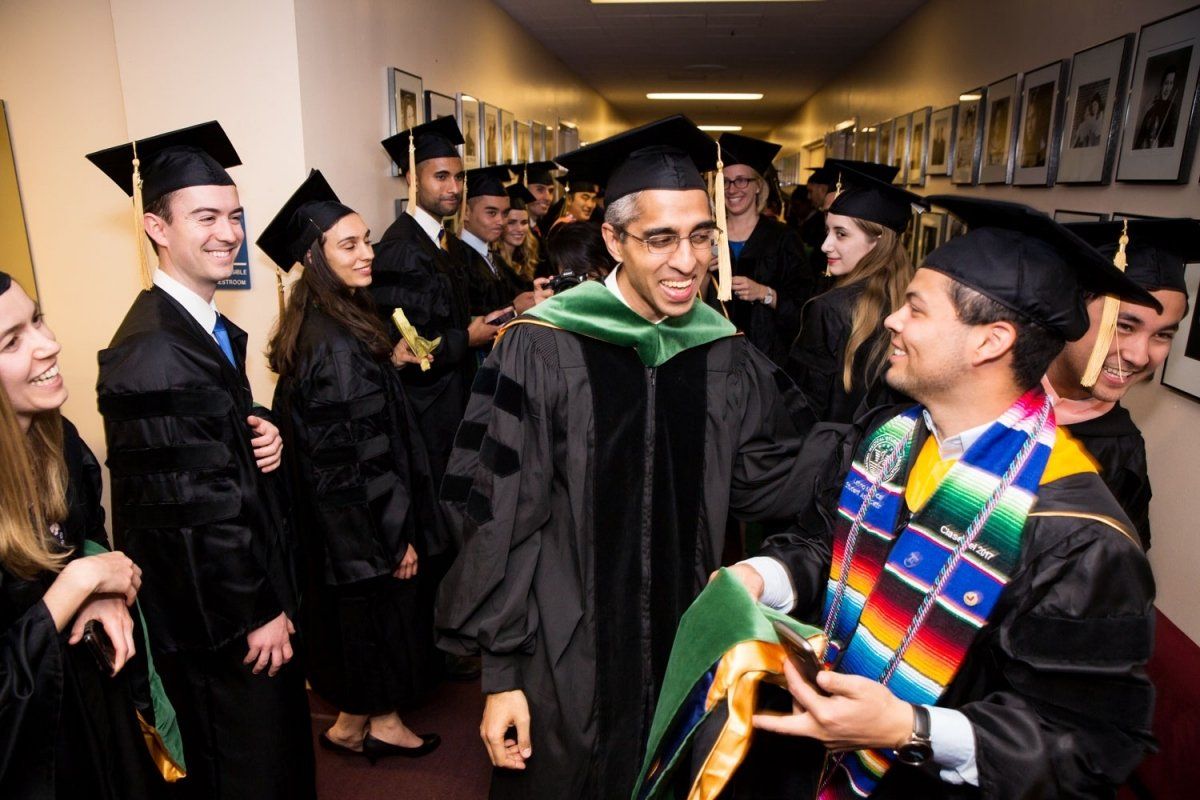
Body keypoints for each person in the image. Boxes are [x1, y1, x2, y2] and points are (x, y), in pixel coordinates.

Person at [435, 115, 817, 800]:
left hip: (683, 645)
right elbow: (499, 519)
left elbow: (765, 479)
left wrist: (881, 444)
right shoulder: (543, 344)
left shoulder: (719, 351)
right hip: (562, 654)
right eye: (660, 238)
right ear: (612, 239)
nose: (687, 260)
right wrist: (500, 677)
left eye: (702, 236)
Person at [731, 197, 1159, 799]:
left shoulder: (1077, 536)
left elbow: (1087, 746)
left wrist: (910, 727)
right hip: (814, 757)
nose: (891, 321)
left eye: (915, 308)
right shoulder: (889, 438)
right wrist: (757, 575)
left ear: (990, 342)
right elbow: (822, 547)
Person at [87, 122, 315, 800]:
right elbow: (191, 512)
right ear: (156, 226)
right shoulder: (154, 351)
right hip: (218, 620)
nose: (228, 233)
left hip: (225, 602)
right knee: (245, 767)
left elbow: (205, 458)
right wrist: (258, 610)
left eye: (235, 217)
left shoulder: (200, 329)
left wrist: (261, 427)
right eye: (206, 217)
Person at [260, 171, 442, 762]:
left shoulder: (330, 325)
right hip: (361, 526)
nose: (369, 253)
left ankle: (361, 723)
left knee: (364, 625)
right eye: (350, 244)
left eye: (366, 239)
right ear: (315, 258)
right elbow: (355, 465)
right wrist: (396, 540)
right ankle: (369, 724)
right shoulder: (334, 345)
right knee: (373, 621)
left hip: (346, 529)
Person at [0, 272, 182, 799]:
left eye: (37, 320)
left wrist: (98, 595)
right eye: (13, 341)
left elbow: (86, 535)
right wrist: (74, 587)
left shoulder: (59, 439)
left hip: (85, 702)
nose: (49, 344)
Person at [1045, 218, 1197, 551]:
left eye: (1162, 335)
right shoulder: (983, 389)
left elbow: (1115, 580)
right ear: (1068, 311)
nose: (1140, 356)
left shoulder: (1120, 454)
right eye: (1123, 326)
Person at [372, 116, 506, 488]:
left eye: (459, 178)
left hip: (452, 400)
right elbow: (414, 345)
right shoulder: (402, 248)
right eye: (441, 176)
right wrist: (470, 337)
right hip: (428, 411)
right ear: (413, 180)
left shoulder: (438, 241)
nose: (454, 187)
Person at [785, 160, 919, 423]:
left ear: (876, 242)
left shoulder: (829, 309)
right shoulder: (912, 305)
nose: (825, 246)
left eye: (841, 234)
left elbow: (803, 408)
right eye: (827, 232)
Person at [719, 132, 813, 365]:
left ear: (758, 186)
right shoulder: (708, 236)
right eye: (726, 180)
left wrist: (765, 293)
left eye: (742, 180)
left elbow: (804, 308)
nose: (732, 189)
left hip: (769, 359)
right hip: (716, 356)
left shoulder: (783, 238)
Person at [1134, 66, 1180, 149]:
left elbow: (1172, 137)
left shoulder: (1173, 109)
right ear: (1162, 85)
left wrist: (1160, 146)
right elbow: (1141, 136)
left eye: (1171, 83)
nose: (1167, 88)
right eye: (1166, 83)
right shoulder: (1152, 107)